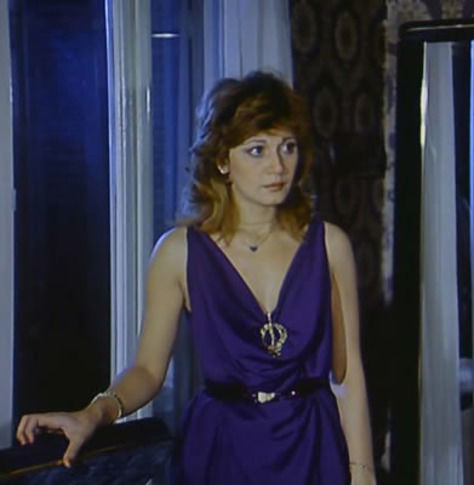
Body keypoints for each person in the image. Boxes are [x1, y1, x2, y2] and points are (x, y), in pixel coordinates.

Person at [16, 71, 376, 484]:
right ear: (222, 161)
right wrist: (94, 413)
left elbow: (348, 377)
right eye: (257, 150)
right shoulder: (178, 253)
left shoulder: (329, 245)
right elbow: (147, 371)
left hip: (312, 447)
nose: (278, 166)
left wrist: (362, 474)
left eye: (288, 147)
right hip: (222, 451)